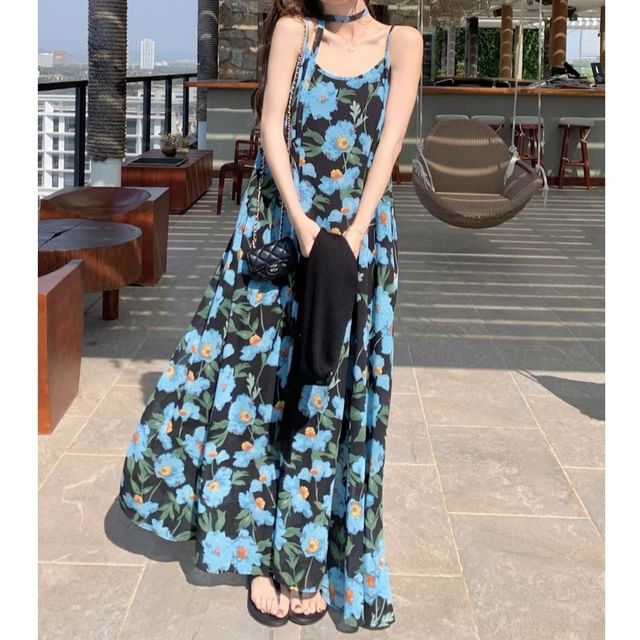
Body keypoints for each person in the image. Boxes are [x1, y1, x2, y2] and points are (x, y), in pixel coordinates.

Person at [117, 0, 422, 631]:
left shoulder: (403, 43)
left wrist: (350, 238)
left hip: (360, 244)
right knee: (260, 390)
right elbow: (272, 128)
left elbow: (389, 144)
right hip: (280, 233)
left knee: (330, 398)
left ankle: (309, 559)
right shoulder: (295, 32)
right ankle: (259, 554)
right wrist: (305, 228)